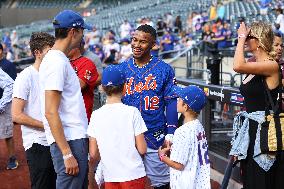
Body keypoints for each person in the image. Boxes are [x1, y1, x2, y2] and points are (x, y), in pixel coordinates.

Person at [120, 24, 178, 189]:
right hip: (128, 136)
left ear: (153, 45)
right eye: (134, 40)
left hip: (155, 135)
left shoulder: (164, 69)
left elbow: (171, 101)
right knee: (130, 182)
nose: (137, 45)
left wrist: (171, 133)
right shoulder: (123, 68)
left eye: (143, 42)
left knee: (160, 183)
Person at [38, 10, 92, 189]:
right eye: (82, 31)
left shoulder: (57, 59)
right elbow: (50, 111)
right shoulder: (57, 62)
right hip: (70, 141)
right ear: (73, 32)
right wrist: (67, 153)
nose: (83, 36)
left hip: (72, 138)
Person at [231, 21, 284, 189]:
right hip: (251, 134)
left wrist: (240, 38)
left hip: (266, 136)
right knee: (250, 181)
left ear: (259, 40)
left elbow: (237, 66)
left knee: (263, 182)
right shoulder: (254, 64)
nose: (246, 39)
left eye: (249, 36)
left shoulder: (272, 65)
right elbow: (240, 65)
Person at [88, 65, 148, 189]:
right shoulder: (133, 112)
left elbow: (93, 154)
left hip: (110, 176)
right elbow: (142, 149)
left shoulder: (96, 115)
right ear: (124, 87)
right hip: (134, 174)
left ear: (102, 88)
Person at [11, 32, 56, 189]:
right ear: (37, 53)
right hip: (38, 142)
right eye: (50, 51)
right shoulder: (25, 77)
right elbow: (16, 115)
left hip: (57, 140)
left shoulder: (54, 74)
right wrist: (47, 125)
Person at [158, 85, 210, 189]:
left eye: (180, 99)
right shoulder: (199, 126)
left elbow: (179, 165)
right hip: (200, 182)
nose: (177, 101)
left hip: (186, 183)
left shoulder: (182, 131)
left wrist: (162, 156)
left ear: (185, 106)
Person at [68, 46, 99, 122]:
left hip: (81, 116)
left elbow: (80, 85)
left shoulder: (87, 63)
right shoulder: (62, 62)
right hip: (66, 114)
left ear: (76, 46)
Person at [0, 68, 18, 170]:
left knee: (7, 134)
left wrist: (1, 104)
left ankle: (12, 157)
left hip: (2, 105)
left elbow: (10, 85)